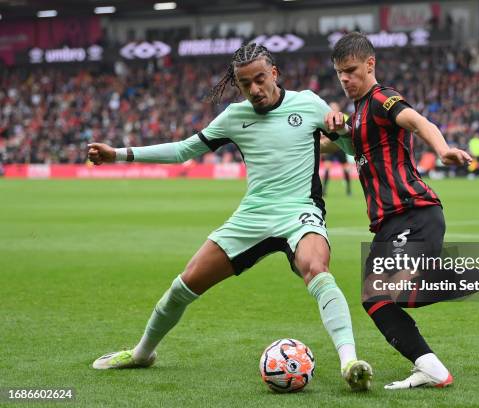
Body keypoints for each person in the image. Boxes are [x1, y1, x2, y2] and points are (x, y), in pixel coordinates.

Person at [88, 43, 372, 391]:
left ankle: (350, 362)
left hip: (300, 212)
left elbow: (353, 150)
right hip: (252, 216)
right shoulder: (235, 117)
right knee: (185, 284)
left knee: (316, 269)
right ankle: (142, 353)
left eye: (260, 79)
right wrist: (117, 154)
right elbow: (182, 151)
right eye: (245, 83)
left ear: (274, 74)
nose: (254, 89)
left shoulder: (309, 104)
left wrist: (342, 129)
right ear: (237, 85)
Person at [324, 32, 479, 390]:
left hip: (413, 213)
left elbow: (419, 122)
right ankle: (432, 366)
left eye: (351, 70)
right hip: (390, 224)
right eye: (340, 73)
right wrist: (324, 127)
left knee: (390, 293)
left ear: (370, 65)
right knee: (377, 299)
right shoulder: (357, 116)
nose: (345, 79)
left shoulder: (382, 99)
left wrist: (443, 147)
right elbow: (328, 145)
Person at [321, 101, 352, 196]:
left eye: (335, 107)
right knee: (327, 167)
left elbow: (349, 132)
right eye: (331, 107)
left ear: (339, 108)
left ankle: (348, 190)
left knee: (346, 168)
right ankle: (324, 190)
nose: (333, 109)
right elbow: (322, 133)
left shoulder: (345, 117)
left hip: (341, 147)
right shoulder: (326, 119)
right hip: (330, 147)